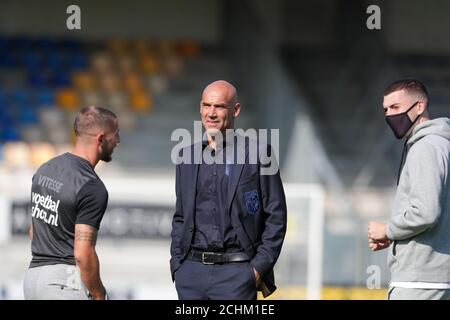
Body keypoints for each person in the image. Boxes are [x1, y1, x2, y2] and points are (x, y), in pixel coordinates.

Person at [170, 80, 287, 300]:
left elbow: (276, 217)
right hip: (191, 274)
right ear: (200, 108)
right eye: (207, 105)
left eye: (220, 106)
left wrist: (257, 269)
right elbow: (180, 216)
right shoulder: (185, 156)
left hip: (238, 274)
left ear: (236, 110)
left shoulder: (260, 153)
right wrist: (178, 266)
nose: (211, 113)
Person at [24, 106, 120, 300]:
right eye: (115, 135)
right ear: (100, 138)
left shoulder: (45, 169)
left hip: (32, 280)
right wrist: (99, 294)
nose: (118, 140)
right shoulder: (92, 186)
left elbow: (33, 232)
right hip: (63, 284)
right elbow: (83, 254)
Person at [368, 79, 450, 300]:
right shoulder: (442, 145)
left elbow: (426, 212)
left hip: (420, 280)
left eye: (395, 107)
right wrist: (397, 237)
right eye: (385, 110)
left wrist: (387, 230)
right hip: (438, 278)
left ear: (420, 106)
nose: (389, 115)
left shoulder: (425, 147)